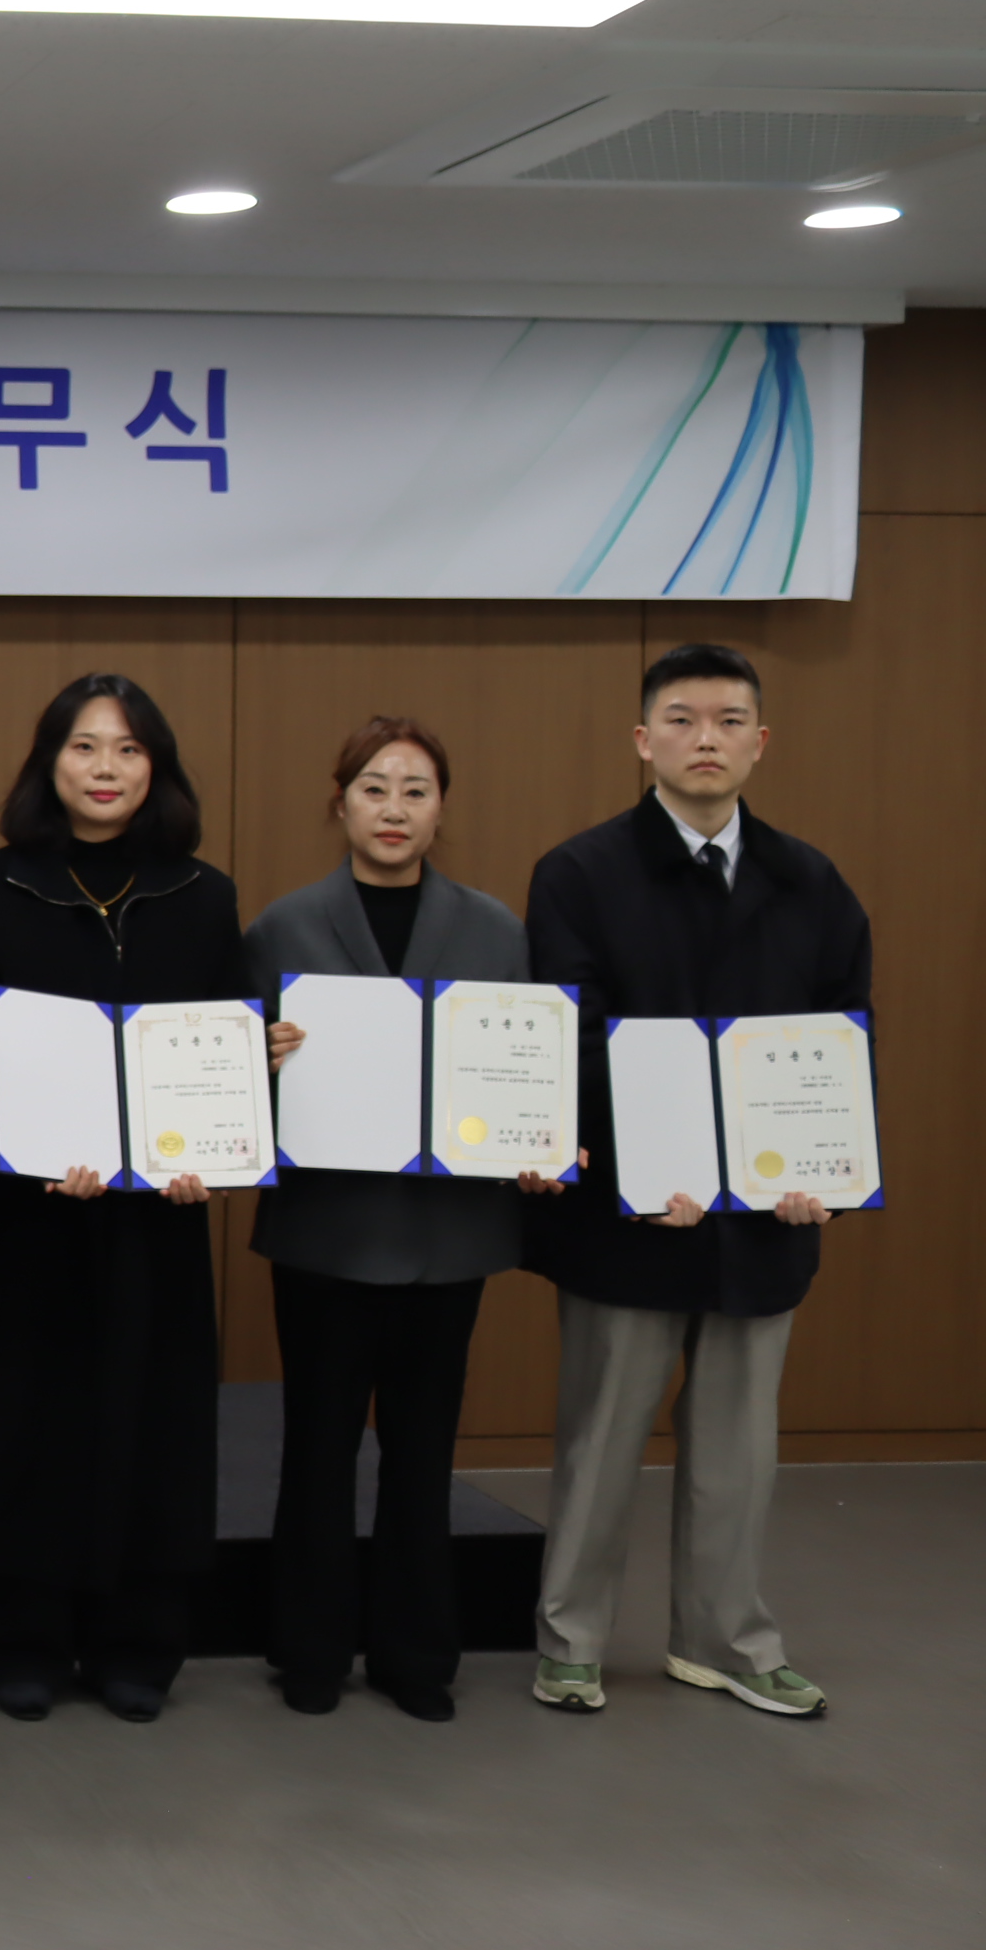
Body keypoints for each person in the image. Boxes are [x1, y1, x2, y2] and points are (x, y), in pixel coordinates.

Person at [522, 644, 870, 1720]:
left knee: (738, 1449)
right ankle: (571, 1641)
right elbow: (572, 1038)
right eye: (681, 718)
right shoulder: (579, 873)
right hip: (628, 1213)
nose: (705, 739)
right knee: (601, 1438)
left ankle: (724, 1640)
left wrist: (822, 1170)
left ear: (760, 742)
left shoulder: (812, 881)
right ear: (643, 740)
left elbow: (837, 1045)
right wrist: (654, 1161)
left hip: (763, 1217)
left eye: (728, 720)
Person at [0, 672, 288, 1725]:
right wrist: (24, 1150)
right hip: (27, 1213)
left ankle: (141, 1640)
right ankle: (19, 1639)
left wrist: (233, 1106)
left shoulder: (203, 895)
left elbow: (218, 1051)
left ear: (155, 768)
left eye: (128, 750)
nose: (104, 768)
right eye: (84, 747)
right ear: (49, 763)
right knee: (23, 1418)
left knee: (154, 1417)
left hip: (154, 1217)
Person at [243, 717, 559, 1723]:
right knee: (318, 1445)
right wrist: (260, 1057)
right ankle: (309, 1650)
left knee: (424, 1452)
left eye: (415, 790)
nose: (393, 808)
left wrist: (541, 1140)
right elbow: (224, 1087)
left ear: (439, 808)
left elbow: (526, 1071)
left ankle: (416, 1653)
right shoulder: (281, 928)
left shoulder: (495, 930)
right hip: (326, 1231)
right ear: (340, 803)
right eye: (374, 788)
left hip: (446, 1233)